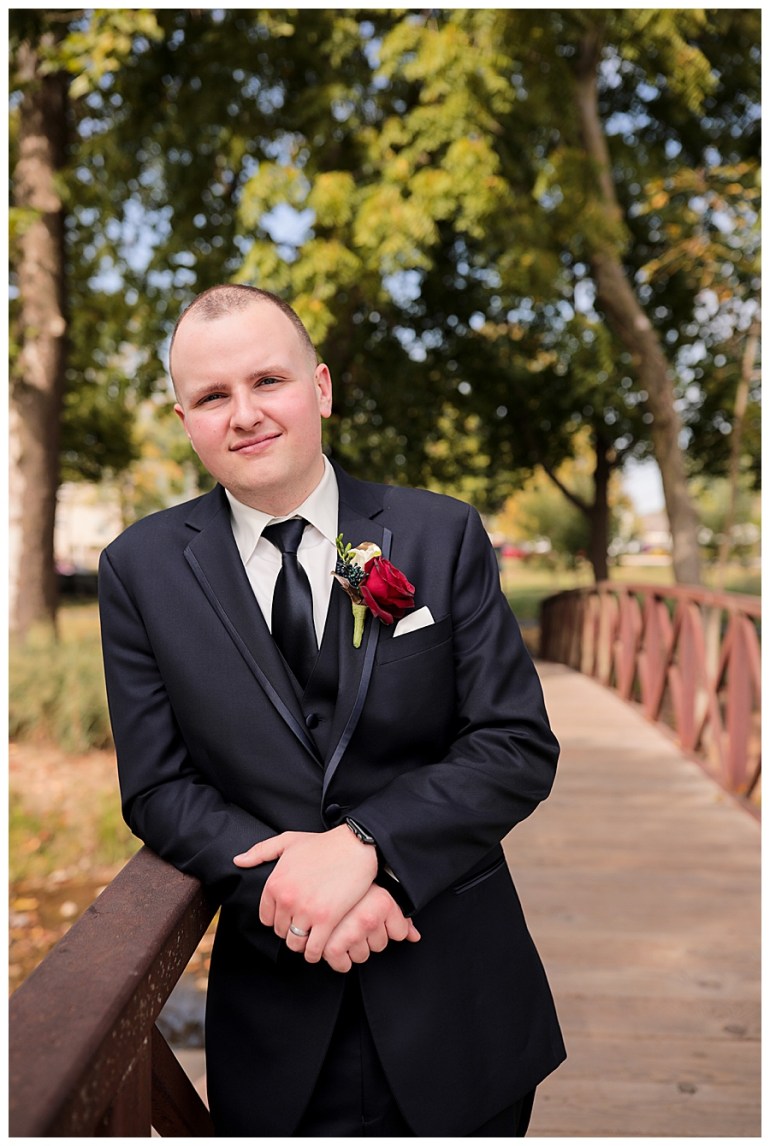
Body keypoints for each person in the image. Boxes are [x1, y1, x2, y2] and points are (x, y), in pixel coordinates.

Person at [99, 284, 566, 1136]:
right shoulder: (138, 569)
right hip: (280, 1017)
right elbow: (159, 787)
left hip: (460, 1002)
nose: (243, 414)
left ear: (318, 388)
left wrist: (369, 851)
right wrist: (299, 889)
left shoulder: (441, 534)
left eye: (266, 381)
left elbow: (514, 743)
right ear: (185, 418)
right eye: (212, 396)